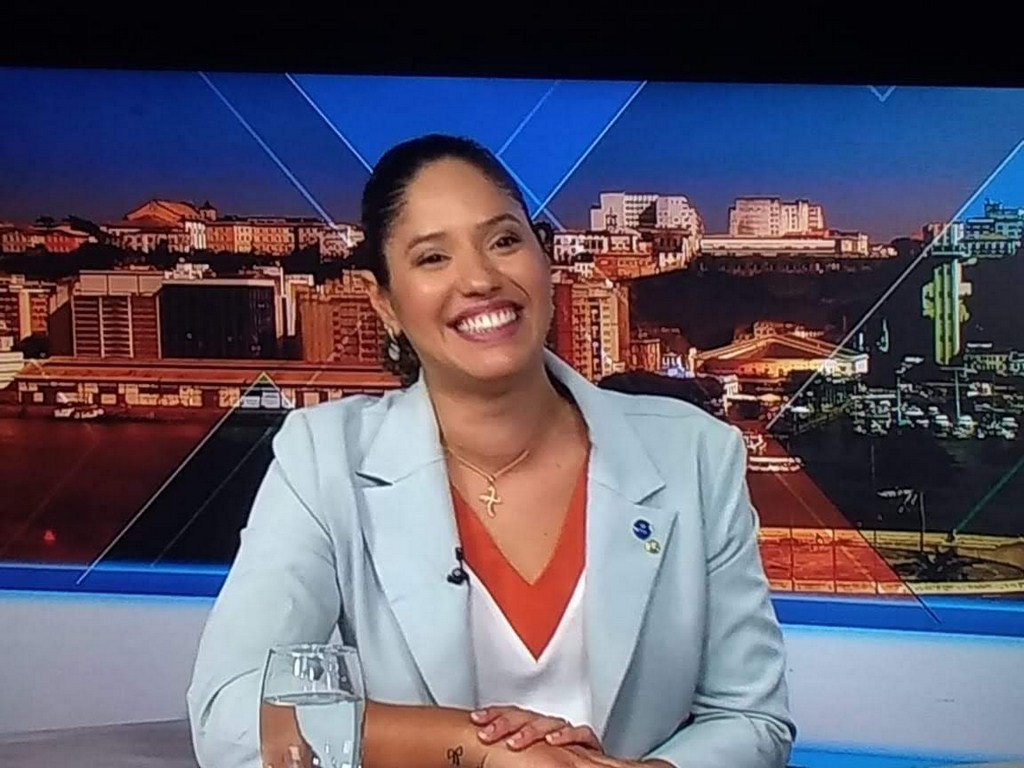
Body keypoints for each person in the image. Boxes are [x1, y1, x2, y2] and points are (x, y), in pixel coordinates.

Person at [186, 134, 796, 768]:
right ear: (384, 302)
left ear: (544, 260)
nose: (480, 280)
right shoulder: (323, 459)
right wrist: (480, 749)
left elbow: (751, 719)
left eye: (504, 241)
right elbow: (232, 715)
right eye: (432, 258)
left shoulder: (695, 453)